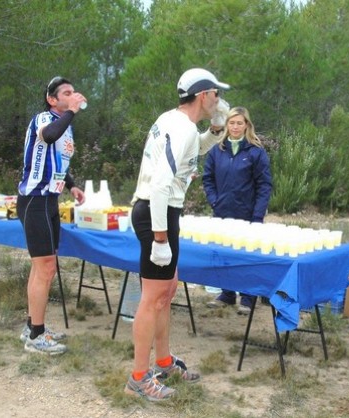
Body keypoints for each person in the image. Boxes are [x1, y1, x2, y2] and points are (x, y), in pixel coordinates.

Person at [125, 68, 230, 401]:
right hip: (155, 211)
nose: (219, 99)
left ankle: (164, 360)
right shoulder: (182, 128)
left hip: (163, 212)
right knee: (153, 298)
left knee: (166, 290)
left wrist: (215, 130)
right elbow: (160, 183)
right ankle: (139, 378)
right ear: (203, 96)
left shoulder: (177, 121)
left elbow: (193, 152)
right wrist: (159, 239)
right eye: (216, 94)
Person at [17, 76, 87, 354]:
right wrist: (71, 109)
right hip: (35, 200)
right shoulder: (43, 119)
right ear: (52, 99)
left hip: (51, 201)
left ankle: (32, 325)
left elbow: (58, 160)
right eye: (66, 93)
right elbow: (49, 136)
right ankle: (37, 335)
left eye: (74, 92)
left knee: (43, 266)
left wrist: (72, 185)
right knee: (45, 267)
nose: (73, 96)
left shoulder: (65, 126)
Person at [202, 107, 273, 315]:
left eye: (239, 123)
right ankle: (227, 293)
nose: (235, 127)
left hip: (248, 214)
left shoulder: (255, 151)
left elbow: (264, 185)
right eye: (231, 123)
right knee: (224, 254)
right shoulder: (217, 150)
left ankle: (248, 297)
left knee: (246, 255)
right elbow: (208, 179)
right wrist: (215, 201)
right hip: (222, 212)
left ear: (246, 125)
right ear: (226, 125)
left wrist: (257, 215)